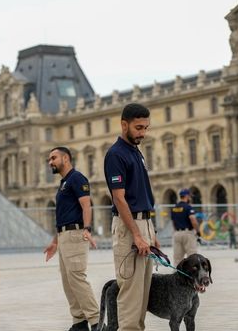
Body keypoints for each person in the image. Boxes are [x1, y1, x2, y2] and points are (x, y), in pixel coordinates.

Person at [104, 103, 159, 331]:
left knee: (142, 295)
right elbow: (119, 199)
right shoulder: (116, 155)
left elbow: (143, 195)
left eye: (145, 128)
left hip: (144, 222)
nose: (143, 133)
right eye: (138, 128)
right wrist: (137, 234)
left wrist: (150, 232)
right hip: (129, 228)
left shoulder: (136, 152)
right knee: (130, 295)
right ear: (124, 124)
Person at [43, 147, 100, 331]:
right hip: (64, 235)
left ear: (65, 158)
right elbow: (63, 215)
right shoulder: (64, 182)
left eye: (53, 158)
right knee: (68, 281)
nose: (50, 162)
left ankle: (97, 321)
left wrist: (87, 229)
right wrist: (55, 241)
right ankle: (79, 322)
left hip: (75, 234)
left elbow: (86, 205)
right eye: (49, 159)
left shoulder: (77, 178)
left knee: (77, 278)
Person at [170, 188, 199, 266]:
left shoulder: (174, 208)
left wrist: (176, 231)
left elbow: (173, 222)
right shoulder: (188, 207)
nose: (190, 198)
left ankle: (176, 276)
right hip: (188, 233)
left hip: (177, 233)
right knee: (192, 257)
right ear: (186, 196)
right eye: (189, 196)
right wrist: (198, 231)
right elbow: (193, 219)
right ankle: (192, 277)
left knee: (178, 258)